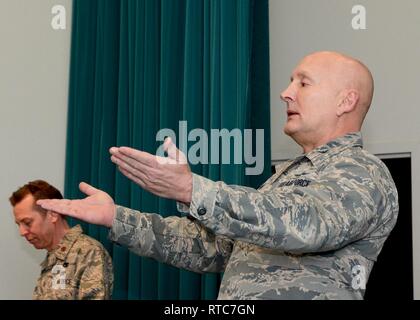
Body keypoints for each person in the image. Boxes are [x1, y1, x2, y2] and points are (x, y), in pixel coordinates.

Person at [37, 51, 399, 300]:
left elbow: (309, 225)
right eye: (290, 82)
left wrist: (194, 189)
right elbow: (211, 248)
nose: (285, 92)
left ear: (345, 101)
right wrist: (118, 218)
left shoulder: (363, 172)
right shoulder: (283, 179)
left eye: (303, 83)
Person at [9, 180, 114, 300]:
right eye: (19, 225)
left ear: (53, 214)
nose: (22, 232)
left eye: (27, 222)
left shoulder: (88, 252)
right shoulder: (53, 258)